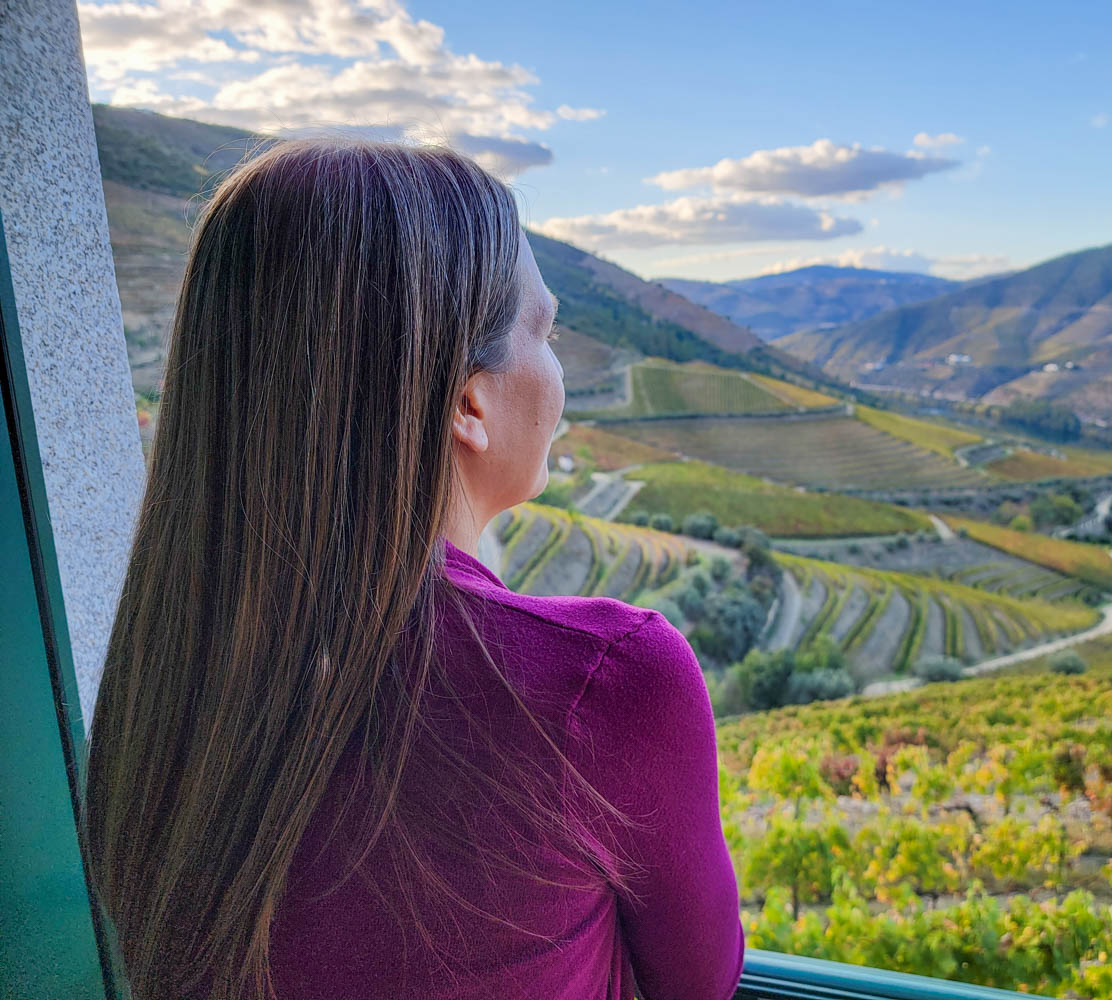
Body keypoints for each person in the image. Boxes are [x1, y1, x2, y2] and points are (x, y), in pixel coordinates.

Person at [79, 139, 745, 1000]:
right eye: (542, 331)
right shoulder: (603, 684)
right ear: (468, 402)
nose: (559, 375)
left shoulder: (162, 677)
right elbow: (702, 982)